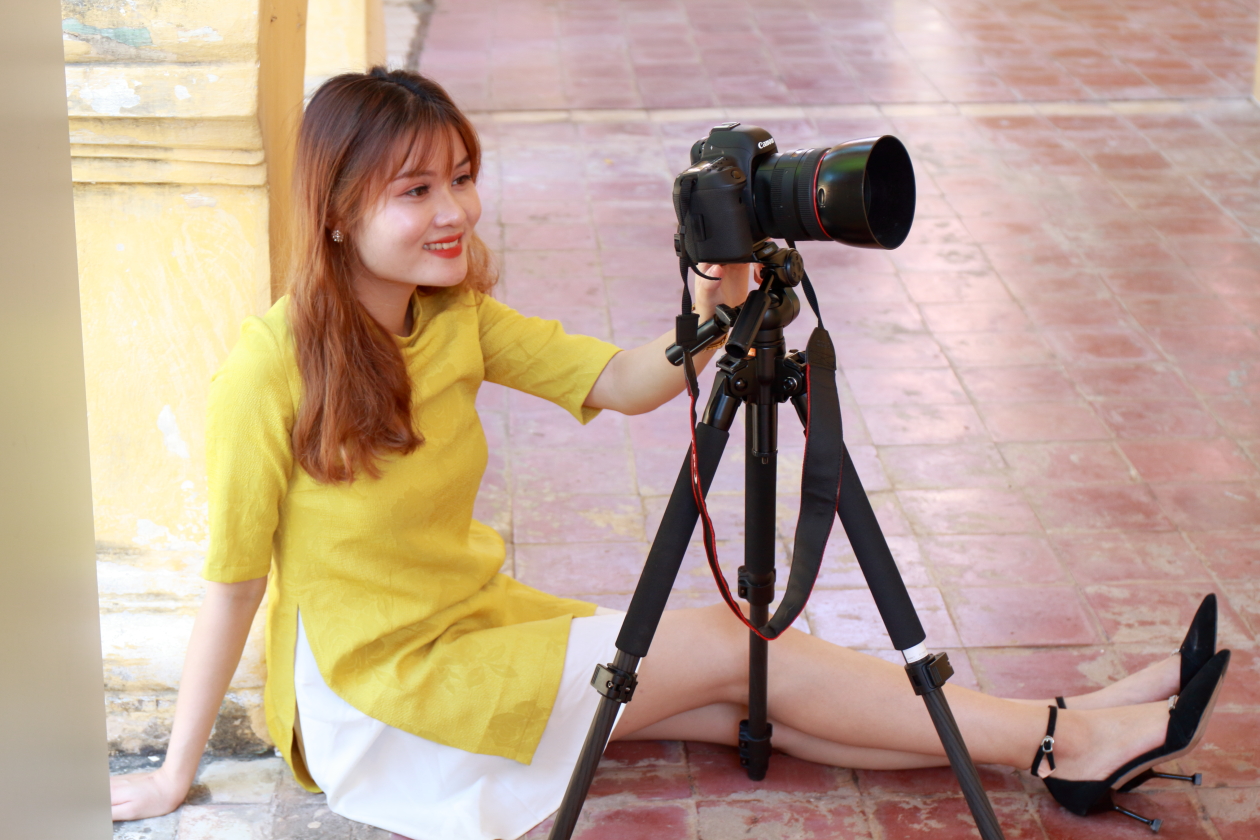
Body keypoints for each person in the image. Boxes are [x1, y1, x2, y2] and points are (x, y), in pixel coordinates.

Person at [109, 68, 1229, 840]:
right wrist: (173, 772)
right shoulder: (268, 369)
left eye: (461, 176)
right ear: (337, 212)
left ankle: (1065, 734)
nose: (455, 211)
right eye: (417, 191)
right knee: (737, 645)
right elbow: (234, 585)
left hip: (476, 629)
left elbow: (623, 381)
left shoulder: (452, 318)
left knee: (750, 699)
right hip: (386, 699)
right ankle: (1070, 736)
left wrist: (711, 298)